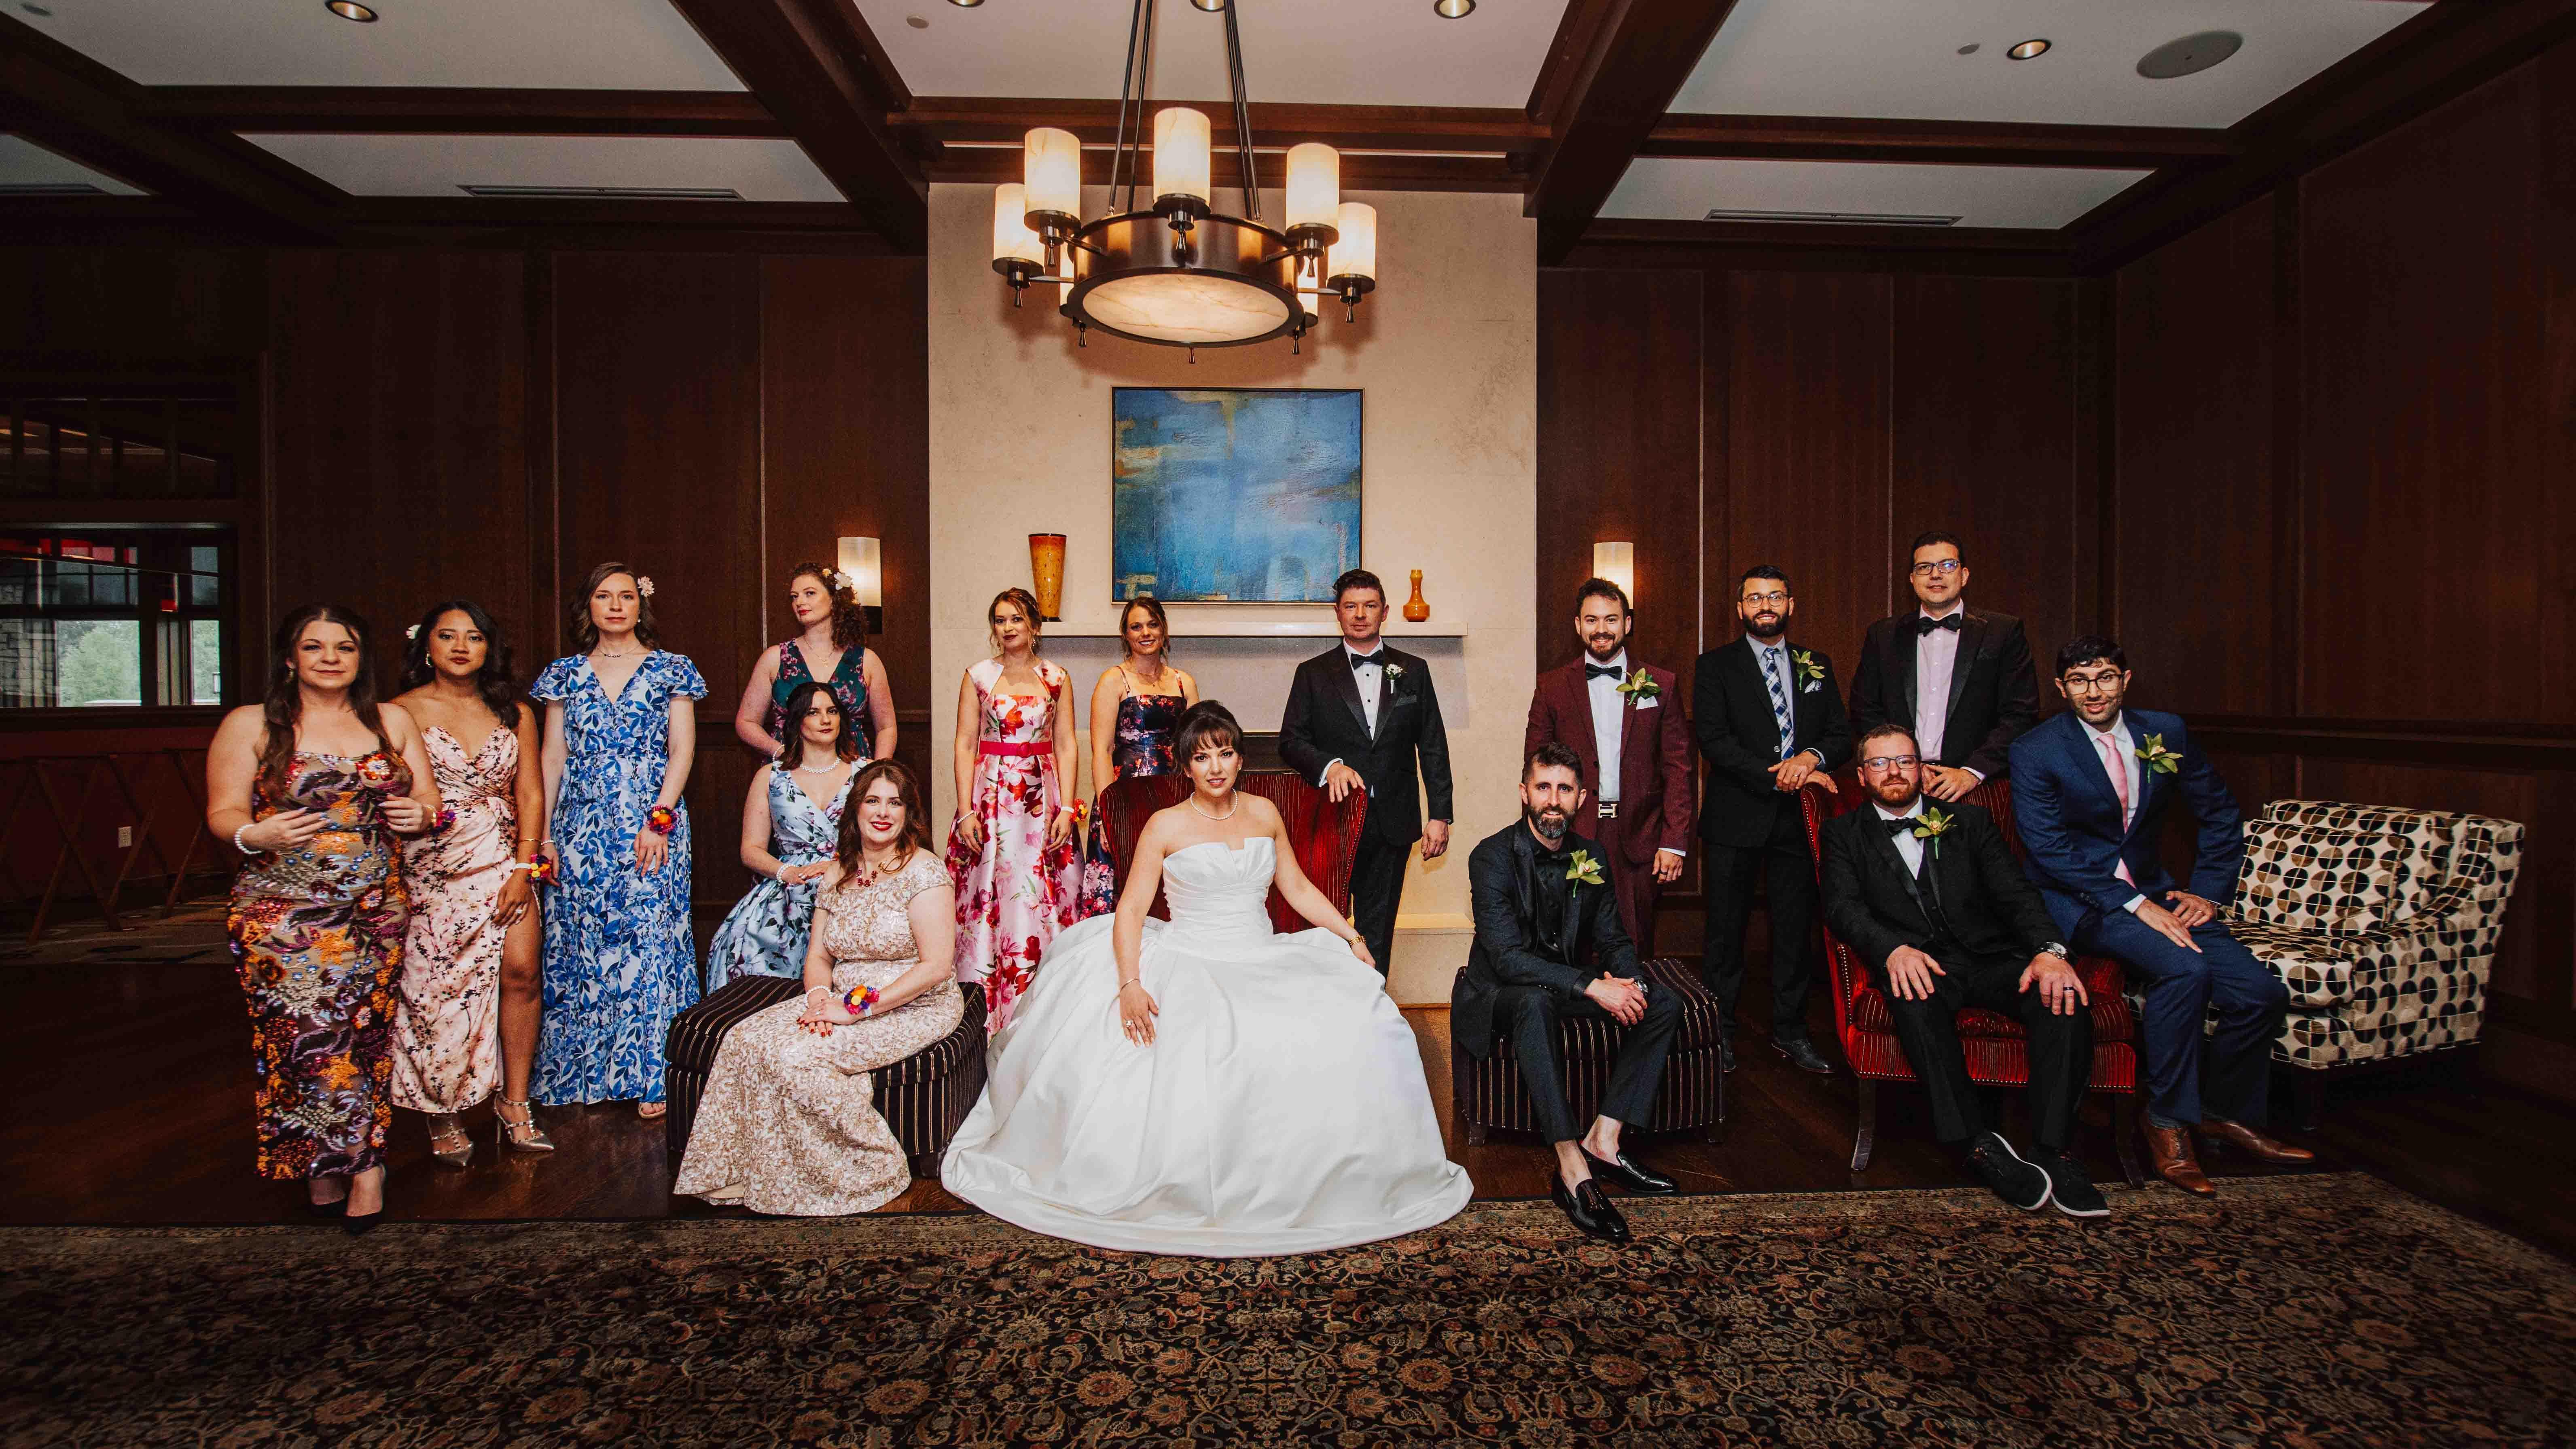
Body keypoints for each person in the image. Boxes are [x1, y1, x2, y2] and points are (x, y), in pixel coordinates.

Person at [942, 702, 1472, 1257]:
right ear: (1185, 766)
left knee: (1361, 1018)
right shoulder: (1164, 825)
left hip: (1261, 954)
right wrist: (1130, 983)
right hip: (1187, 955)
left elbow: (1296, 887)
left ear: (1240, 759)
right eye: (1201, 757)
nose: (1215, 766)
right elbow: (1130, 910)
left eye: (1225, 753)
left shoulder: (1265, 813)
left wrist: (1351, 936)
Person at [2009, 636, 2309, 1196]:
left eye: (2104, 677)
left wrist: (2208, 894)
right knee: (2184, 969)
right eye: (2078, 681)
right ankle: (2166, 1119)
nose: (2093, 691)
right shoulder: (2036, 749)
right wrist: (2133, 904)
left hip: (2156, 891)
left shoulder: (2165, 732)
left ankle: (2220, 1114)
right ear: (2060, 688)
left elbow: (2220, 814)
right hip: (2081, 900)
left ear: (2125, 679)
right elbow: (2049, 851)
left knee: (2260, 994)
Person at [206, 604, 441, 1234]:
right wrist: (256, 833)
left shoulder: (390, 719)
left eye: (345, 646)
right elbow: (223, 813)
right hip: (282, 914)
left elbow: (428, 798)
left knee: (363, 1035)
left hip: (375, 909)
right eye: (315, 647)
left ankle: (332, 1163)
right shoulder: (251, 723)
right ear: (291, 658)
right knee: (307, 1034)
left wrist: (420, 815)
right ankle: (361, 1163)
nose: (331, 657)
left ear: (361, 658)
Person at [1819, 724, 2104, 1216]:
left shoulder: (1970, 822)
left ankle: (2052, 1149)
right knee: (1911, 996)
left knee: (2061, 996)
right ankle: (1975, 1143)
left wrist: (2049, 952)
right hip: (1920, 964)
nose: (1893, 772)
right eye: (1880, 763)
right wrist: (1892, 951)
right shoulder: (1842, 834)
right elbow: (1842, 908)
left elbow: (2016, 895)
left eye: (1904, 761)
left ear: (1921, 769)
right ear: (1862, 775)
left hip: (1992, 959)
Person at [674, 760, 966, 1215]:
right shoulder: (836, 874)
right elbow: (819, 958)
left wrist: (856, 1010)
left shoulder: (925, 872)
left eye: (895, 803)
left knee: (799, 1057)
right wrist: (818, 999)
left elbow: (936, 966)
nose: (883, 812)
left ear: (909, 813)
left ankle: (873, 1167)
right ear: (855, 810)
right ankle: (740, 1170)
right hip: (840, 998)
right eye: (872, 801)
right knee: (744, 1040)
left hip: (914, 1004)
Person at [1457, 744, 1684, 1244]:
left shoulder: (1591, 856)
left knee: (1662, 1002)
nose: (1552, 800)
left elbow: (1613, 939)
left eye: (1564, 789)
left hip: (1562, 983)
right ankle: (1571, 1167)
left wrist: (1629, 985)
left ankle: (1604, 1139)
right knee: (1533, 1001)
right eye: (1543, 787)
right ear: (1524, 793)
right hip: (1502, 994)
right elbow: (1506, 959)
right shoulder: (1490, 857)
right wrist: (1591, 985)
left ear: (1581, 798)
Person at [528, 563, 707, 1119]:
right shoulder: (564, 674)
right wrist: (543, 836)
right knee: (580, 944)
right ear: (589, 605)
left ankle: (655, 1074)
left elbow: (682, 750)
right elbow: (552, 757)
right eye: (604, 596)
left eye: (625, 596)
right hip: (579, 827)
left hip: (650, 823)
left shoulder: (672, 669)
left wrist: (659, 820)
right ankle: (582, 1071)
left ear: (639, 605)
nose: (615, 605)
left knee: (650, 942)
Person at [389, 600, 552, 1165]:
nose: (461, 646)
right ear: (426, 646)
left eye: (475, 637)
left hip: (504, 854)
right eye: (448, 635)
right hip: (434, 861)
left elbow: (530, 793)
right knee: (439, 988)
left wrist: (524, 867)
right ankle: (442, 1109)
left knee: (523, 972)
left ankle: (514, 1101)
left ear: (490, 648)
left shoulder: (515, 712)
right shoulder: (399, 712)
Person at [1691, 565, 1852, 1075]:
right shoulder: (1714, 666)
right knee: (1724, 932)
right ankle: (1718, 1032)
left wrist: (1808, 759)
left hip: (1798, 820)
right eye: (1755, 598)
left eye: (1775, 597)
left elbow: (1840, 736)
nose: (1765, 606)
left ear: (1790, 605)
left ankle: (1791, 1031)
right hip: (1735, 815)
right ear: (1740, 608)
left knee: (1794, 930)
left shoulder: (1816, 665)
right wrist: (1780, 774)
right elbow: (1713, 740)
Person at [1277, 568, 1455, 974]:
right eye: (1351, 607)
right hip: (1331, 819)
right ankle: (1329, 1003)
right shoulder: (1312, 673)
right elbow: (1290, 741)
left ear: (1385, 612)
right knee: (1327, 925)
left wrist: (1440, 816)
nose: (1360, 615)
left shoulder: (1414, 670)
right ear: (1337, 613)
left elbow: (1432, 746)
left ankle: (1372, 1006)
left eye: (1369, 606)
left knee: (1378, 930)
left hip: (1393, 821)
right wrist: (1330, 766)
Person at [1522, 577, 1693, 955]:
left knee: (1633, 946)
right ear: (1578, 625)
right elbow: (1535, 767)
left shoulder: (1662, 685)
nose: (1602, 629)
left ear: (1627, 623)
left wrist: (1674, 842)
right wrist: (1538, 840)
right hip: (1572, 831)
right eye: (1592, 620)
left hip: (1640, 838)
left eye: (1611, 619)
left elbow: (1678, 769)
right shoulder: (1551, 687)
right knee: (1570, 945)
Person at [945, 587, 1082, 1034]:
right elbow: (965, 742)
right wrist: (965, 810)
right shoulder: (979, 676)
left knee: (1040, 886)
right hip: (991, 796)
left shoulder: (1056, 677)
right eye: (1000, 620)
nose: (1007, 628)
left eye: (1016, 619)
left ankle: (1045, 998)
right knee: (991, 883)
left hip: (1042, 797)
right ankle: (981, 1002)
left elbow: (1066, 743)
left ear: (1034, 626)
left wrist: (1067, 808)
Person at [1847, 531, 2040, 800]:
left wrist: (1973, 771)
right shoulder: (1883, 635)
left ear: (1964, 575)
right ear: (1913, 579)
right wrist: (1902, 765)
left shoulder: (2003, 632)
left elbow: (2020, 713)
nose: (1935, 575)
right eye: (1924, 567)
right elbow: (1864, 708)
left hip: (1974, 787)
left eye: (1947, 565)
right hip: (1898, 784)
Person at [704, 680, 860, 991]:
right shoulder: (770, 777)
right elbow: (751, 850)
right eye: (814, 713)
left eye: (832, 711)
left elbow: (890, 841)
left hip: (850, 878)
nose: (826, 720)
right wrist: (787, 872)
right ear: (797, 721)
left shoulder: (866, 773)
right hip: (790, 884)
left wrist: (840, 864)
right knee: (741, 943)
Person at [1076, 595, 1198, 917]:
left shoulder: (1185, 683)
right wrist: (1109, 811)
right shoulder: (1113, 680)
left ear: (1164, 630)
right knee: (1124, 880)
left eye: (1152, 624)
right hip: (1126, 796)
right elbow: (1102, 752)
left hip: (1174, 794)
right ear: (1126, 635)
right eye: (1136, 627)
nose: (1146, 633)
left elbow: (1197, 748)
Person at [732, 561, 895, 763]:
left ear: (834, 599)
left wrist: (878, 772)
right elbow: (746, 722)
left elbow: (887, 727)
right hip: (791, 769)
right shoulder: (775, 658)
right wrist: (780, 752)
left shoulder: (866, 660)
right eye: (794, 597)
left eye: (809, 593)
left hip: (852, 767)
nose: (799, 602)